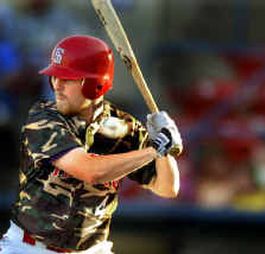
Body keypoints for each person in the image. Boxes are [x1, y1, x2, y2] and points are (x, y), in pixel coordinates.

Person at [0, 34, 183, 253]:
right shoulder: (44, 117)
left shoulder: (125, 128)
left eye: (67, 79)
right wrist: (154, 150)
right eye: (55, 77)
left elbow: (167, 188)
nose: (56, 85)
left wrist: (165, 150)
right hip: (29, 248)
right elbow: (90, 171)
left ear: (95, 84)